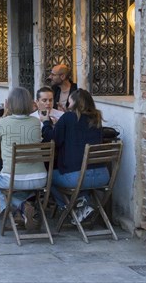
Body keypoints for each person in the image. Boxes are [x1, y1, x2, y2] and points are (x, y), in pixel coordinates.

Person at [42, 89, 106, 224]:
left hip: (78, 178)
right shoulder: (97, 119)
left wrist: (46, 122)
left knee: (47, 178)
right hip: (103, 176)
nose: (67, 104)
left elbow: (52, 138)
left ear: (74, 103)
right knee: (76, 178)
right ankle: (83, 203)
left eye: (69, 102)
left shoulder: (68, 118)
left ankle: (69, 208)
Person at [0, 87, 47, 229]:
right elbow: (39, 138)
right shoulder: (36, 122)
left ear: (9, 104)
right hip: (40, 178)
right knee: (21, 187)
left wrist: (4, 116)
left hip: (13, 178)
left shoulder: (4, 123)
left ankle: (21, 207)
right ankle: (21, 214)